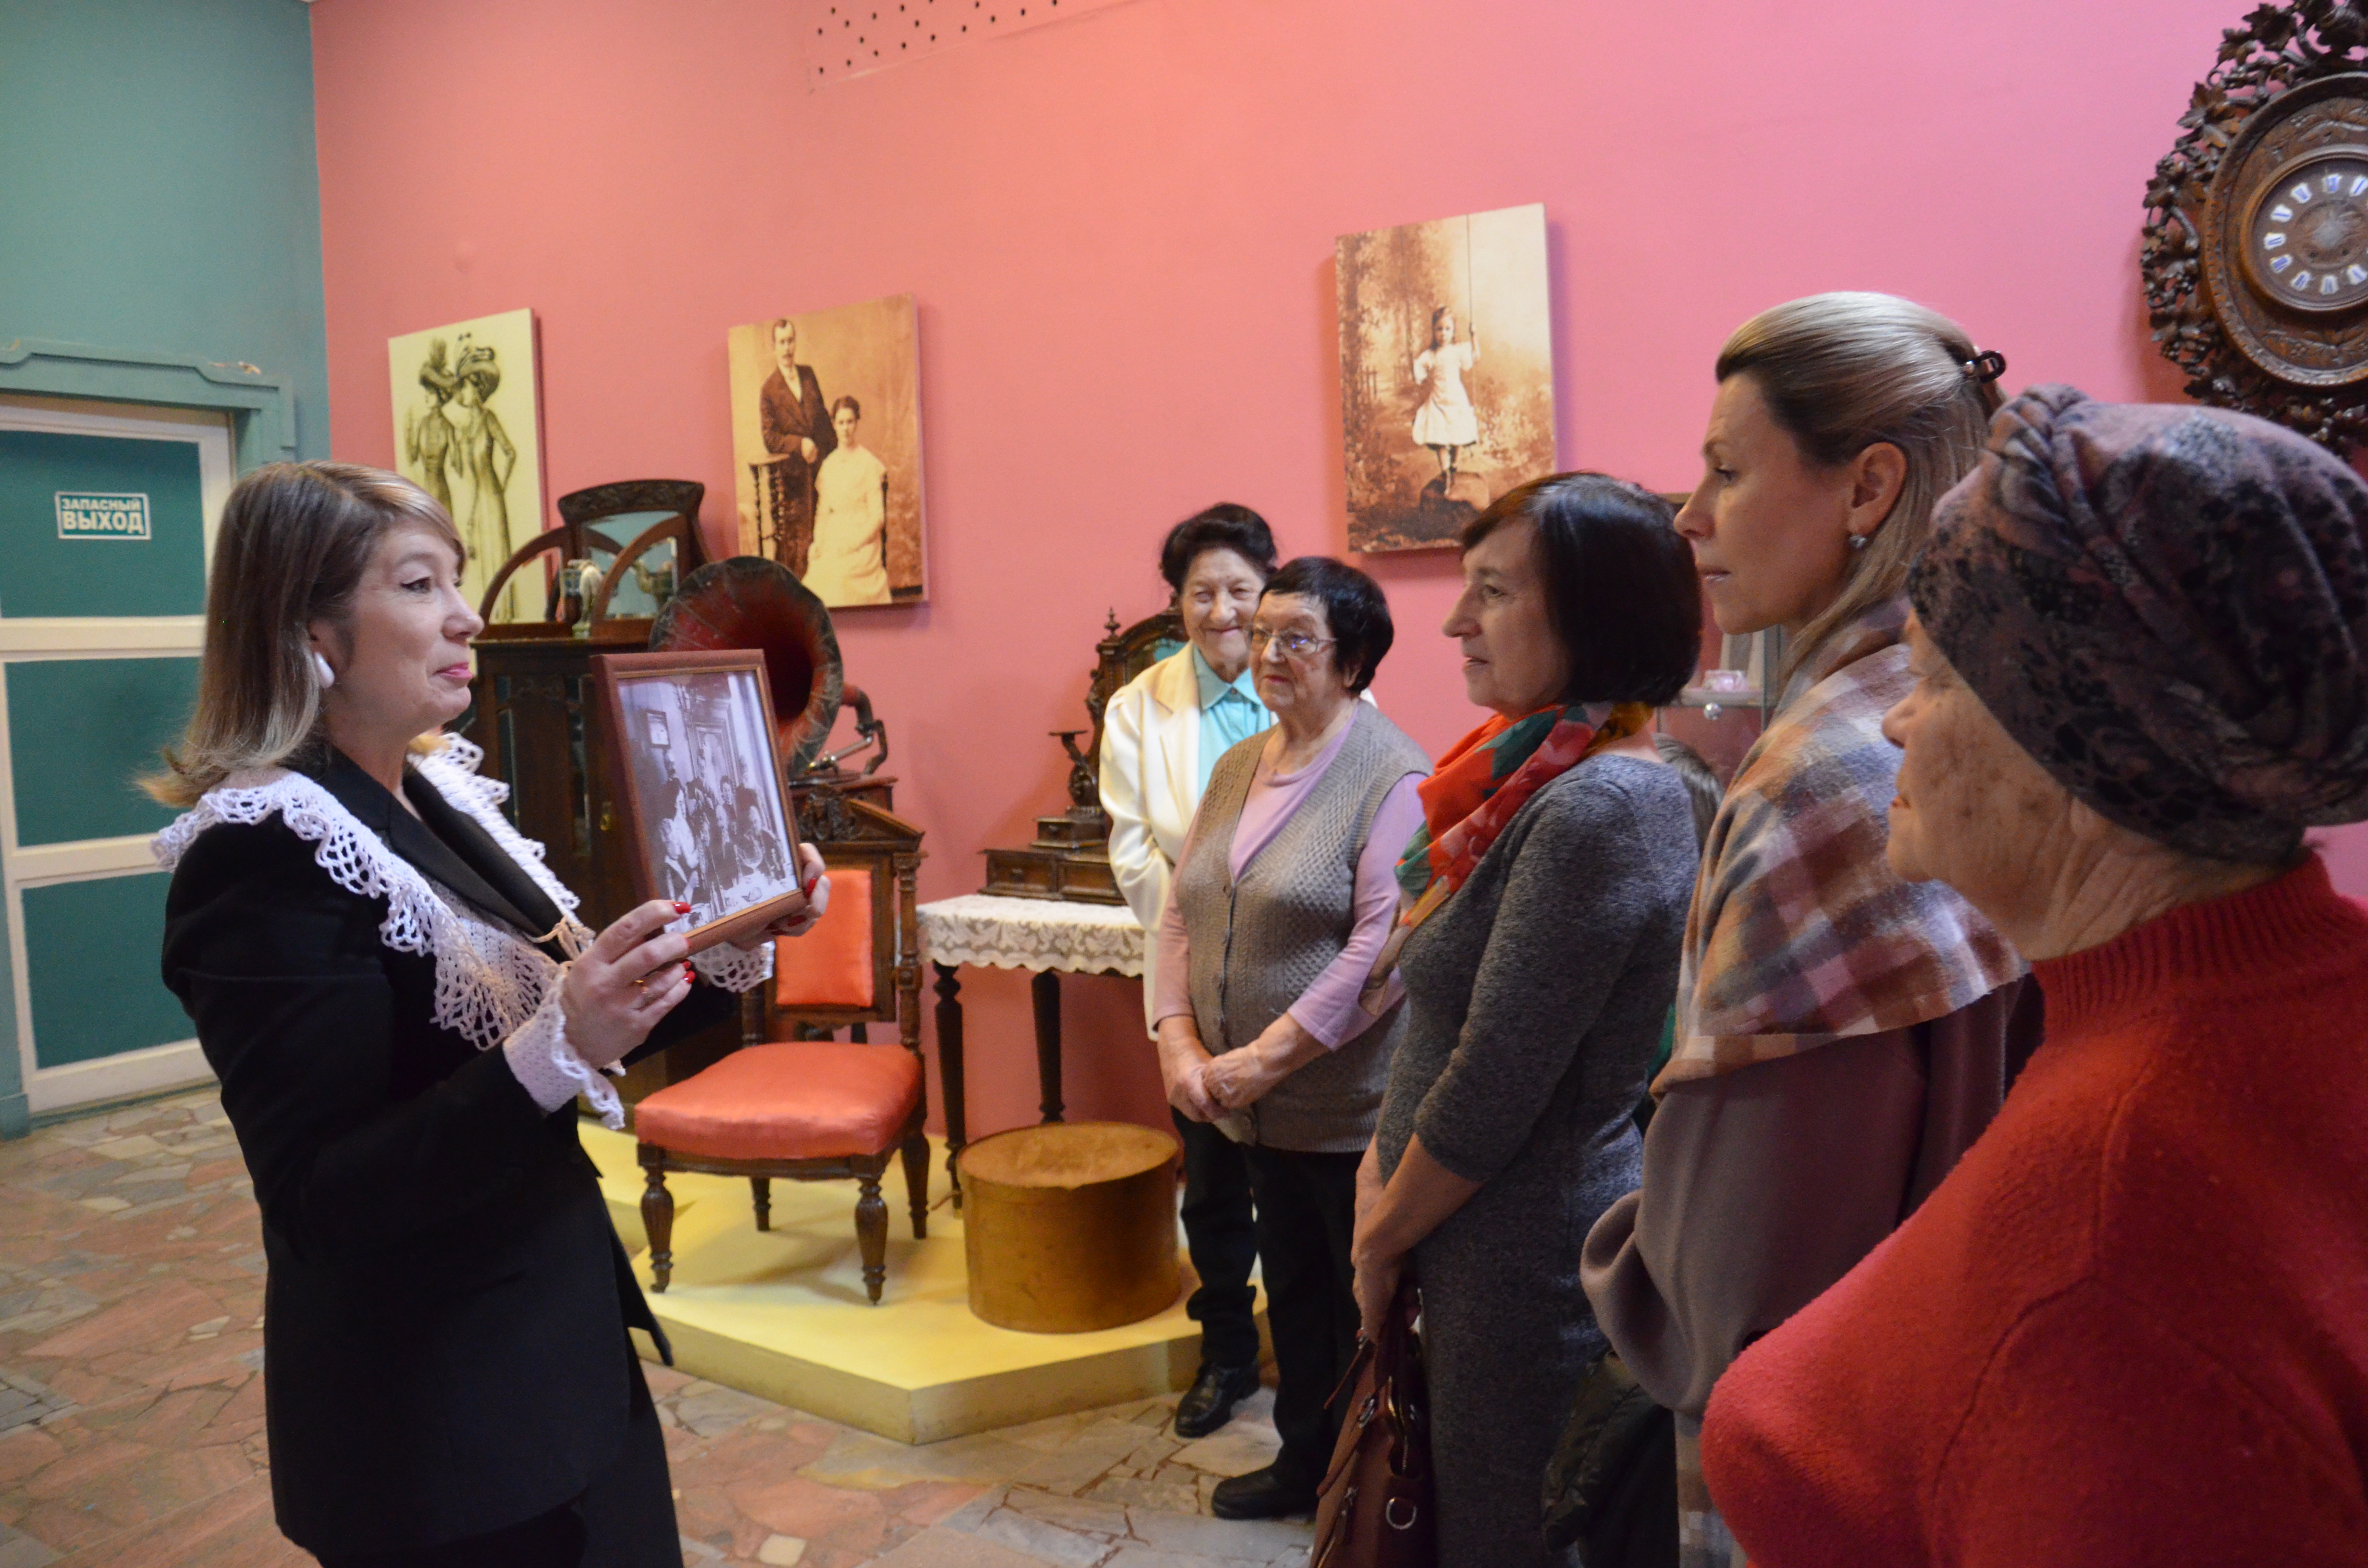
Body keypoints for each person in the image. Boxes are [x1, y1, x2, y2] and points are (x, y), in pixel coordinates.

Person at [1703, 389, 2368, 1565]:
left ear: (2086, 756)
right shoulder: (2295, 986)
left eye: (1932, 680)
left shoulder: (2113, 1245)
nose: (1898, 725)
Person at [150, 461, 829, 1568]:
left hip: (553, 1350)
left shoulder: (434, 794)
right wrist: (561, 1046)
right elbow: (323, 1198)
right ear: (311, 633)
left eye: (455, 580)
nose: (467, 616)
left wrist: (737, 933)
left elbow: (579, 1025)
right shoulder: (265, 851)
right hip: (436, 1415)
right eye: (420, 585)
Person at [1580, 292, 2040, 1568]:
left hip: (1813, 1427)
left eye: (1727, 472)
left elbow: (1738, 1269)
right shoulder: (1953, 699)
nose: (1690, 516)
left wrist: (1624, 1256)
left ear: (1868, 488)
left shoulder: (1824, 775)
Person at [1353, 475, 1704, 1568]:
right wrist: (1380, 1174)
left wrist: (1378, 1232)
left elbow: (1497, 1078)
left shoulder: (1600, 805)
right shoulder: (1535, 774)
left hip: (1520, 1262)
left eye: (1494, 592)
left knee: (1503, 1536)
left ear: (1595, 615)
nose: (1456, 621)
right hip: (1465, 1236)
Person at [1155, 556, 1430, 1520]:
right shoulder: (1237, 764)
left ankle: (1374, 1492)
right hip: (1252, 1110)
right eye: (1262, 633)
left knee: (1361, 1311)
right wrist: (1178, 1043)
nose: (1266, 652)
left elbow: (1383, 947)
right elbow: (1182, 912)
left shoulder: (1391, 773)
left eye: (1295, 638)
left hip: (1345, 1111)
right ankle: (1307, 1466)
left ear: (1352, 659)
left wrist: (1261, 1060)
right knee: (1296, 1296)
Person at [1098, 503, 1278, 1441]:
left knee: (1303, 1181)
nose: (1222, 612)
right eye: (1201, 592)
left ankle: (1318, 1352)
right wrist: (1201, 947)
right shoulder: (1139, 707)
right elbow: (1133, 848)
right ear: (1177, 602)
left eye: (1239, 590)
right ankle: (1225, 1354)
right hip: (1193, 985)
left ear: (1268, 591)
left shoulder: (1319, 680)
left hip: (1296, 976)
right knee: (1210, 1184)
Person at [758, 318, 835, 576]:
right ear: (773, 347)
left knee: (831, 530)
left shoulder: (808, 375)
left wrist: (836, 458)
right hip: (793, 477)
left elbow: (823, 419)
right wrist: (799, 444)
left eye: (790, 341)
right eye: (781, 343)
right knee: (802, 542)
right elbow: (770, 438)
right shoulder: (769, 390)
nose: (787, 348)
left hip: (822, 466)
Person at [805, 395, 891, 606]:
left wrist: (854, 543)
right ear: (834, 425)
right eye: (841, 423)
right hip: (835, 534)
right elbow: (823, 513)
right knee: (818, 575)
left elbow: (877, 518)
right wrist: (818, 542)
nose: (846, 429)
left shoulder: (868, 464)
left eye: (850, 422)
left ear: (857, 423)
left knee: (840, 577)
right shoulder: (829, 465)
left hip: (862, 536)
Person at [447, 342, 517, 594]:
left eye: (465, 388)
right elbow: (460, 471)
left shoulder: (489, 419)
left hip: (492, 495)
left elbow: (510, 452)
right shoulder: (465, 428)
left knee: (496, 558)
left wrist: (502, 486)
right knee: (481, 561)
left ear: (475, 389)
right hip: (477, 500)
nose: (462, 395)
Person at [1412, 305, 1481, 491]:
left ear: (1453, 331)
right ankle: (1446, 475)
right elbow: (1419, 370)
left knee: (1458, 435)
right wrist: (1417, 372)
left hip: (1456, 399)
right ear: (1433, 331)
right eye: (1439, 329)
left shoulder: (1457, 351)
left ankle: (1454, 466)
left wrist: (1474, 336)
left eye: (1448, 329)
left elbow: (1475, 357)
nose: (1443, 334)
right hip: (1438, 400)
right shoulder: (1431, 354)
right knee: (1440, 439)